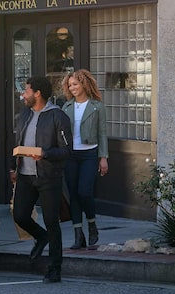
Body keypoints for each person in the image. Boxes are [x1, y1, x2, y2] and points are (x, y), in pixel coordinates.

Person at [11, 76, 72, 283]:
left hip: (48, 176)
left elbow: (66, 150)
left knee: (51, 223)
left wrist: (44, 154)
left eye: (26, 91)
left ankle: (55, 269)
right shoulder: (24, 115)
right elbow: (18, 141)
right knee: (19, 215)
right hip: (25, 176)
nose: (23, 94)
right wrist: (14, 168)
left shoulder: (58, 116)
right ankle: (40, 236)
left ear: (37, 93)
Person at [60, 69, 108, 249]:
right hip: (71, 155)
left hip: (90, 154)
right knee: (73, 195)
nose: (72, 88)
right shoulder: (67, 107)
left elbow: (102, 134)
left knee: (84, 192)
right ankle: (78, 235)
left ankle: (92, 224)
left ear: (84, 84)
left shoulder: (97, 106)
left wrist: (103, 158)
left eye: (75, 84)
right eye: (70, 85)